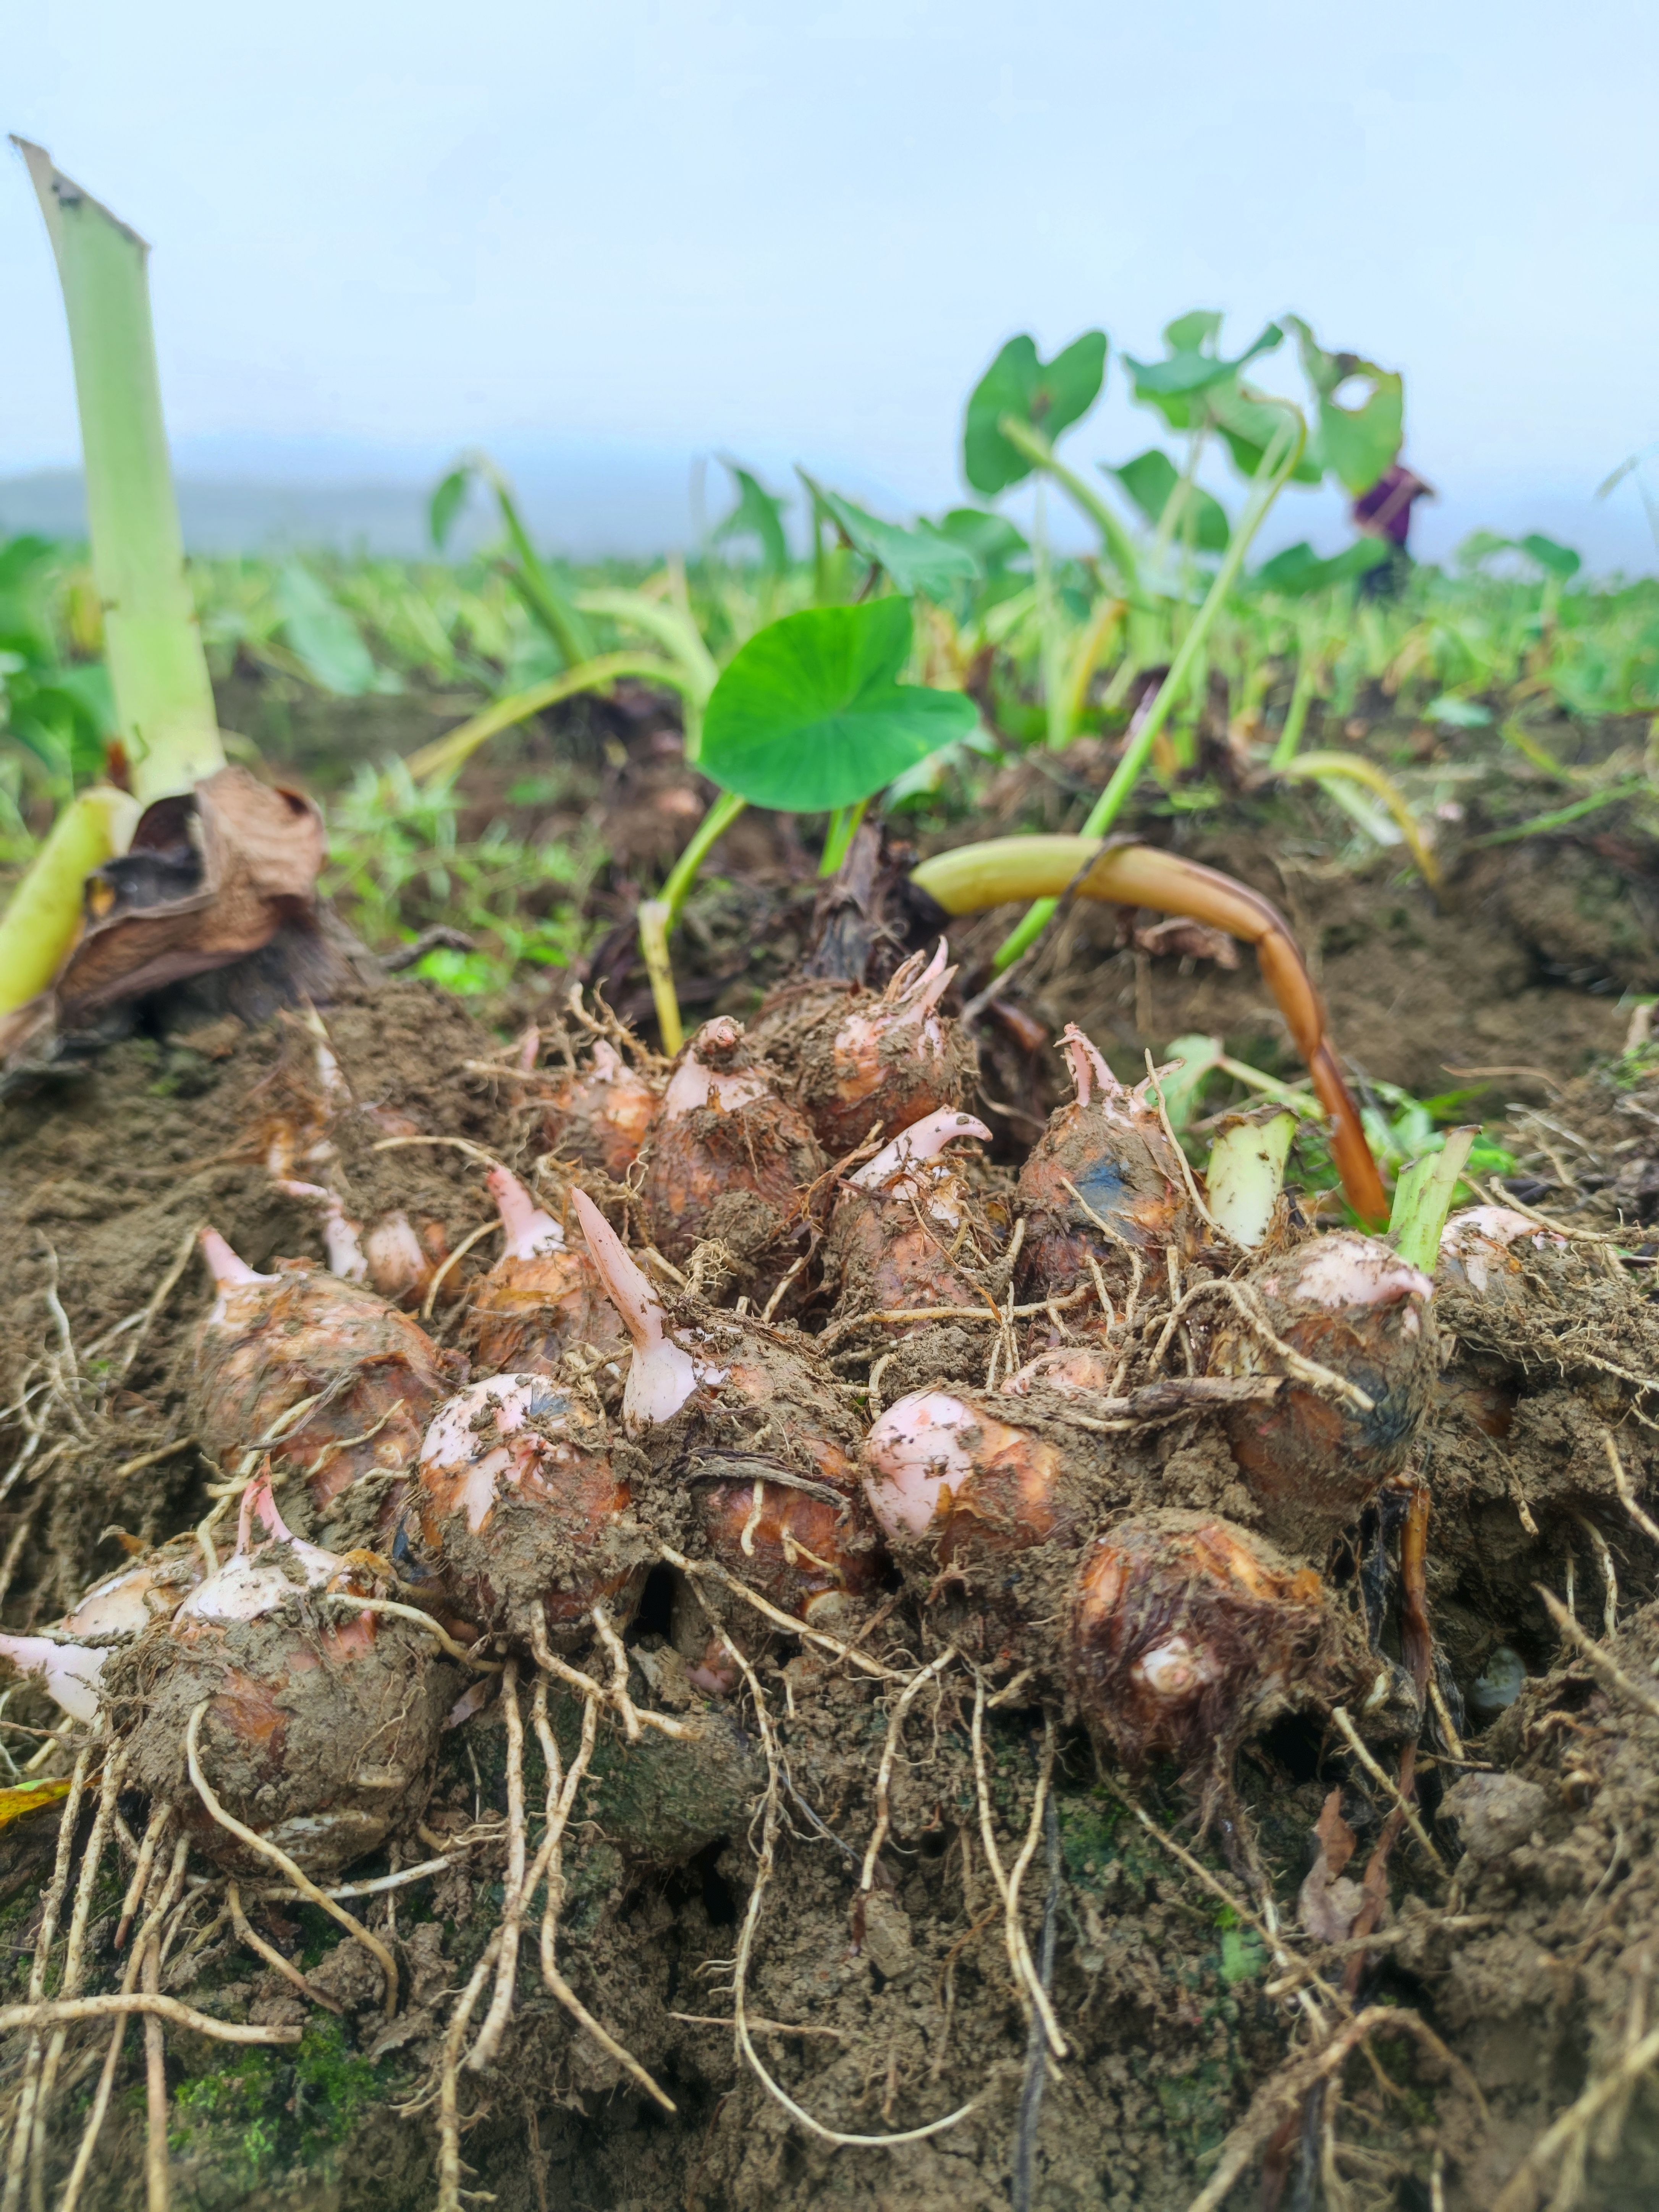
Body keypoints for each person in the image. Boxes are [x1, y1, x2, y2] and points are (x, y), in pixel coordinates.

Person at [1351, 464, 1434, 595]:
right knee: (1369, 589)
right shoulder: (1370, 477)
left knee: (1397, 587)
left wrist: (1414, 484)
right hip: (1374, 544)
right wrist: (1370, 529)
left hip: (1398, 543)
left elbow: (1432, 494)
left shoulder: (1406, 475)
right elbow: (1357, 516)